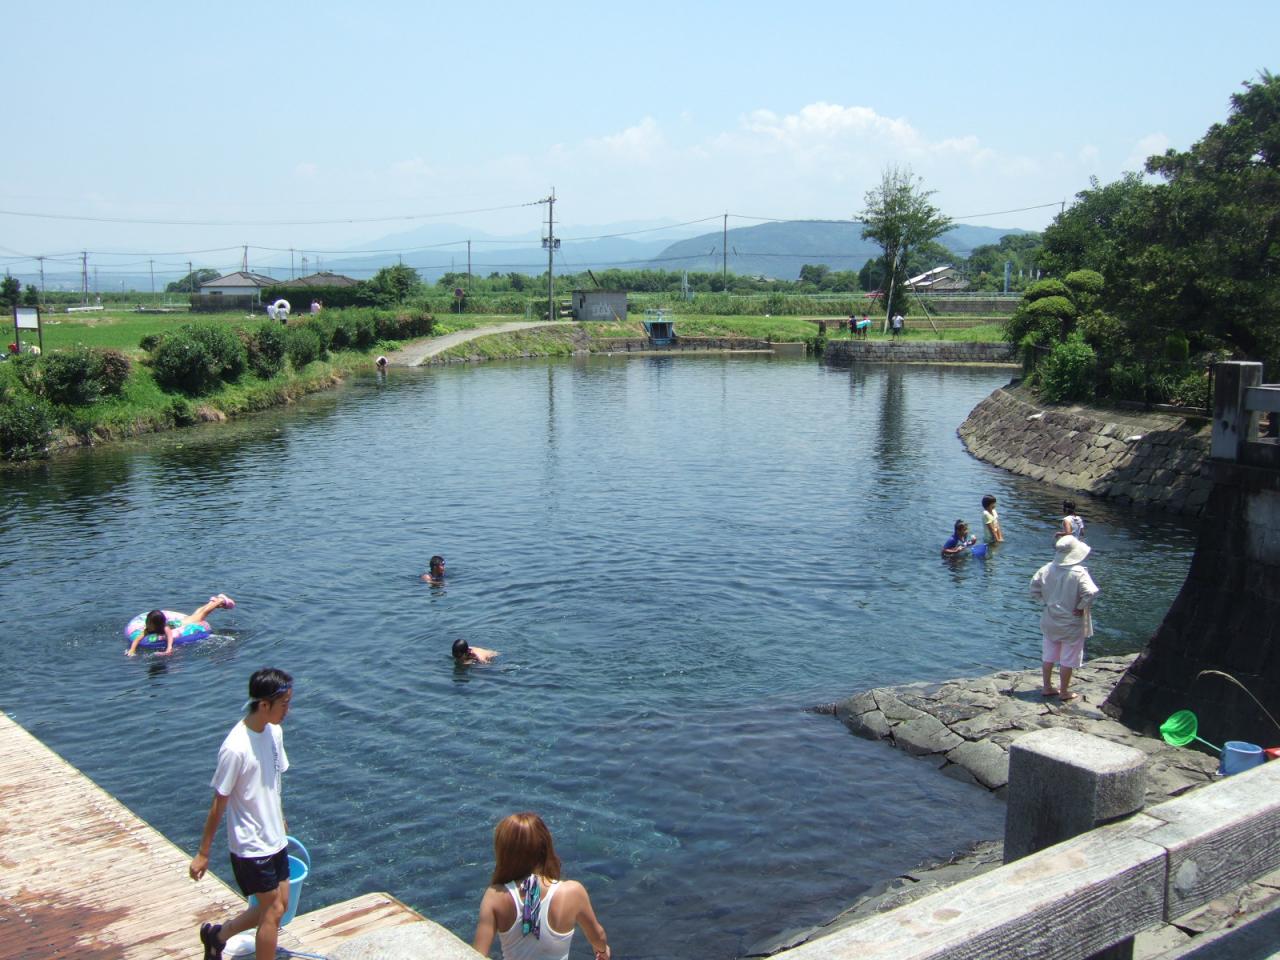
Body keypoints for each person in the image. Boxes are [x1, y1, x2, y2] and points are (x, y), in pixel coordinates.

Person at [191, 668, 294, 960]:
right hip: (250, 844)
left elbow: (272, 781)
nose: (288, 710)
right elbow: (219, 802)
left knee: (279, 906)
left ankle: (217, 936)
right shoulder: (235, 748)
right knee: (272, 910)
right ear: (264, 705)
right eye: (284, 703)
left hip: (274, 837)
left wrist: (279, 815)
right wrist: (203, 853)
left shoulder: (274, 732)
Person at [473, 812, 610, 960]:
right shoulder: (573, 892)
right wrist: (602, 951)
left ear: (504, 852)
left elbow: (477, 954)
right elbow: (598, 936)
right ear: (545, 847)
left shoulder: (495, 896)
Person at [1030, 536, 1099, 702]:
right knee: (1068, 657)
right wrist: (1080, 607)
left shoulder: (1046, 569)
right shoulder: (1078, 572)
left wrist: (1045, 602)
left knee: (1048, 654)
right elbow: (1091, 592)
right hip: (1071, 620)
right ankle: (1064, 691)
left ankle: (1047, 687)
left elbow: (1033, 588)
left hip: (1050, 618)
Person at [126, 593, 235, 657]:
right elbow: (137, 639)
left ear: (156, 624)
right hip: (180, 623)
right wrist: (132, 650)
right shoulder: (148, 629)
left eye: (149, 623)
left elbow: (170, 638)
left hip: (184, 624)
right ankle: (212, 602)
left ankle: (220, 600)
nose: (147, 625)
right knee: (197, 614)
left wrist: (168, 649)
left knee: (202, 614)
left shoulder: (165, 628)